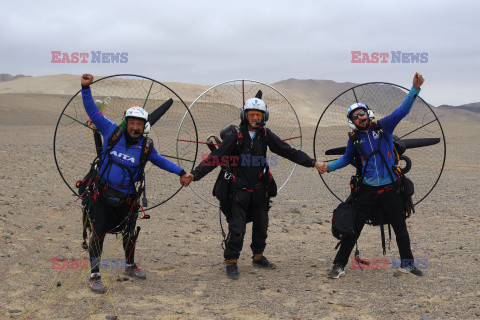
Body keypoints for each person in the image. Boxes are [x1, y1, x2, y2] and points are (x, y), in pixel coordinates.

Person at [182, 96, 324, 280]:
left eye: (259, 114)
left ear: (265, 117)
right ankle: (231, 261)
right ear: (245, 115)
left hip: (259, 188)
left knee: (262, 225)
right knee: (237, 227)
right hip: (238, 189)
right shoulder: (235, 135)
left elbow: (287, 151)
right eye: (252, 114)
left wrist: (312, 162)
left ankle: (258, 257)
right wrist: (195, 174)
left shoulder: (265, 135)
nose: (256, 118)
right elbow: (216, 157)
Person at [80, 74, 194, 293]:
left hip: (128, 198)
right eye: (131, 122)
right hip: (102, 194)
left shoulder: (146, 146)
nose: (135, 126)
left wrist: (181, 171)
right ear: (126, 121)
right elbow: (93, 111)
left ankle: (130, 265)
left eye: (139, 123)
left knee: (129, 232)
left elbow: (160, 161)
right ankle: (95, 274)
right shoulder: (111, 131)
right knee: (99, 232)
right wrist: (86, 88)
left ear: (145, 125)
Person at [317, 72, 425, 279]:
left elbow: (403, 110)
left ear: (369, 113)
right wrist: (328, 167)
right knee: (353, 228)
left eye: (362, 113)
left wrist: (415, 89)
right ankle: (338, 265)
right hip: (366, 190)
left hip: (390, 188)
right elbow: (347, 159)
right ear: (352, 121)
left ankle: (408, 264)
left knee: (400, 227)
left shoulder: (385, 126)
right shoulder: (354, 140)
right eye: (355, 116)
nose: (360, 117)